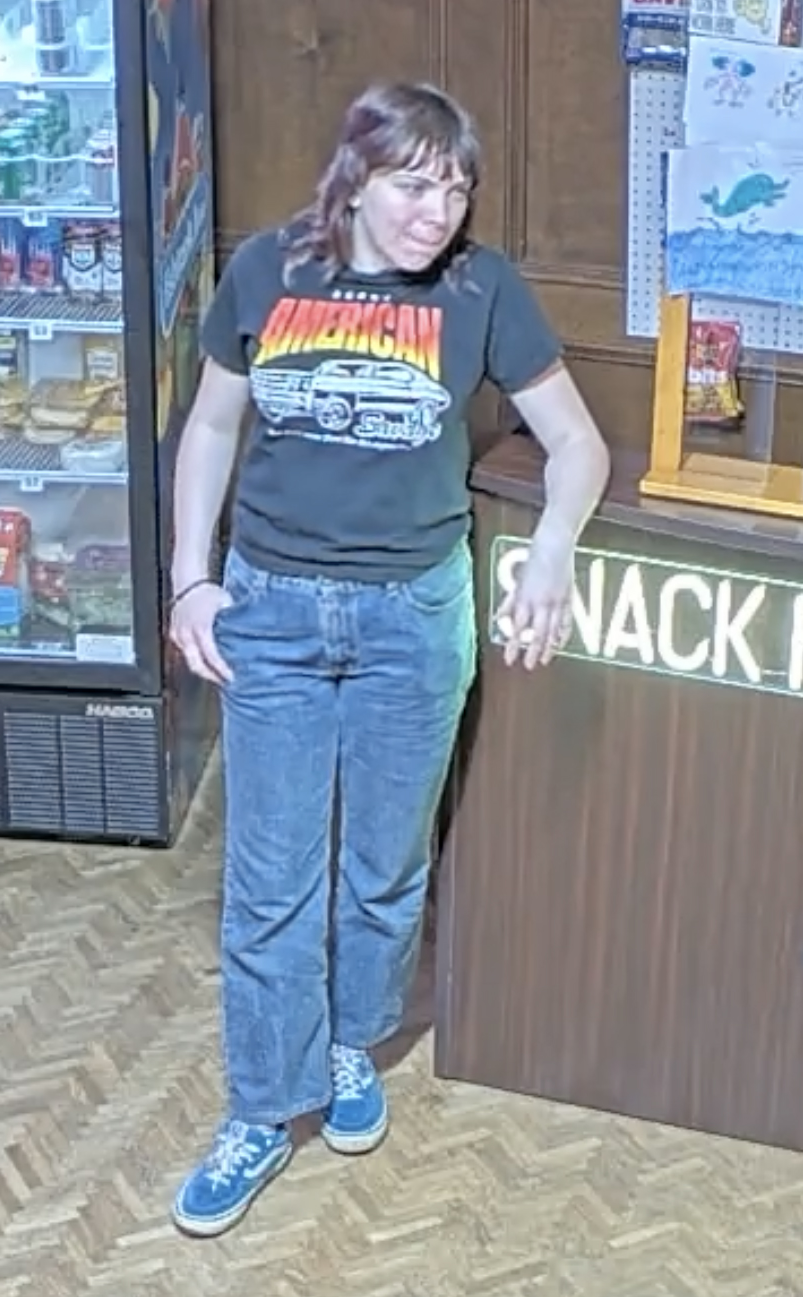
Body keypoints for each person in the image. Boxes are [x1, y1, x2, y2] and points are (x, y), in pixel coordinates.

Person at [168, 80, 610, 1237]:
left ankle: (353, 1042)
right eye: (415, 186)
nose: (437, 212)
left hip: (414, 617)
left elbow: (577, 444)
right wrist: (188, 577)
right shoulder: (269, 269)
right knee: (270, 880)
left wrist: (553, 551)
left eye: (456, 189)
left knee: (382, 865)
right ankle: (263, 1106)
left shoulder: (482, 287)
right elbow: (210, 425)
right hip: (271, 609)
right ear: (356, 177)